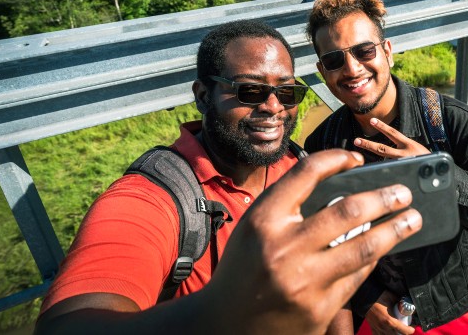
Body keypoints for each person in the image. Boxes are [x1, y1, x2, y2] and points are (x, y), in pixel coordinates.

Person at [36, 19, 421, 334]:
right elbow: (69, 324)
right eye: (250, 91)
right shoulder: (155, 199)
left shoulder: (298, 167)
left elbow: (332, 285)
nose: (273, 107)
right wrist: (224, 315)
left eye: (287, 93)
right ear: (203, 96)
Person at [304, 0, 468, 335]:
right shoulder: (321, 145)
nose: (351, 68)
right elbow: (325, 243)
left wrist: (441, 173)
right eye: (335, 60)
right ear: (323, 72)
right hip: (380, 316)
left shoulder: (452, 123)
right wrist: (368, 301)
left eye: (364, 50)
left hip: (455, 311)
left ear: (388, 52)